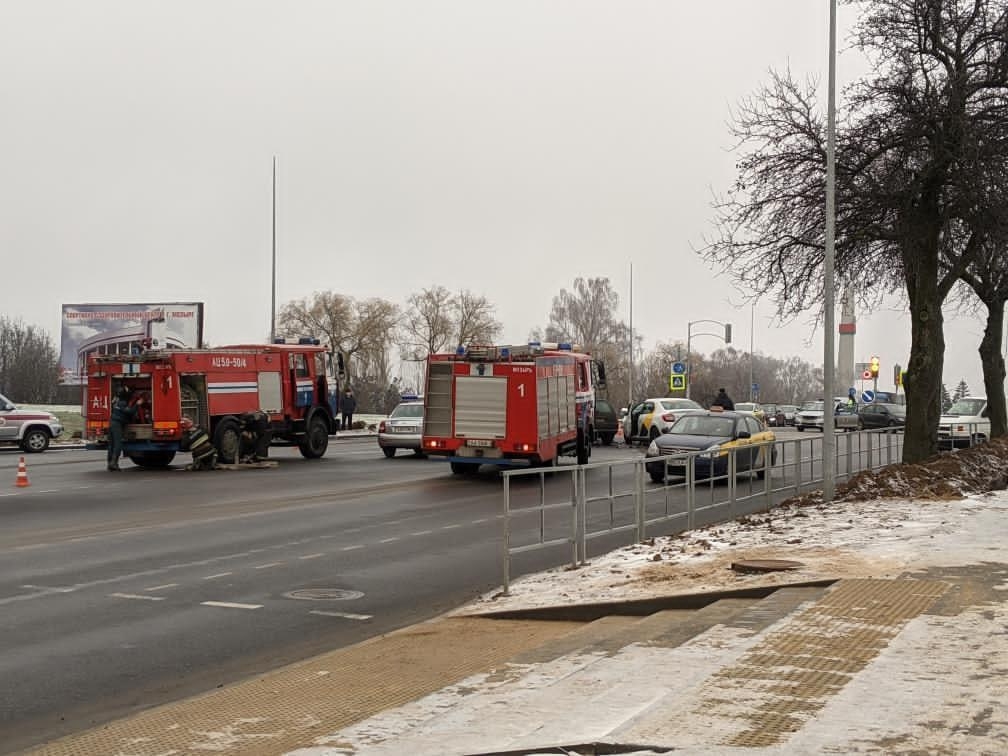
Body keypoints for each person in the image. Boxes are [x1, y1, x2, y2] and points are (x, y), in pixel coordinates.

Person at [108, 387, 143, 471]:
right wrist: (137, 404)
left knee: (112, 445)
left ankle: (110, 463)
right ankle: (113, 463)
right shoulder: (122, 403)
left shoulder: (116, 401)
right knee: (118, 444)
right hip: (117, 424)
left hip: (112, 423)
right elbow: (130, 412)